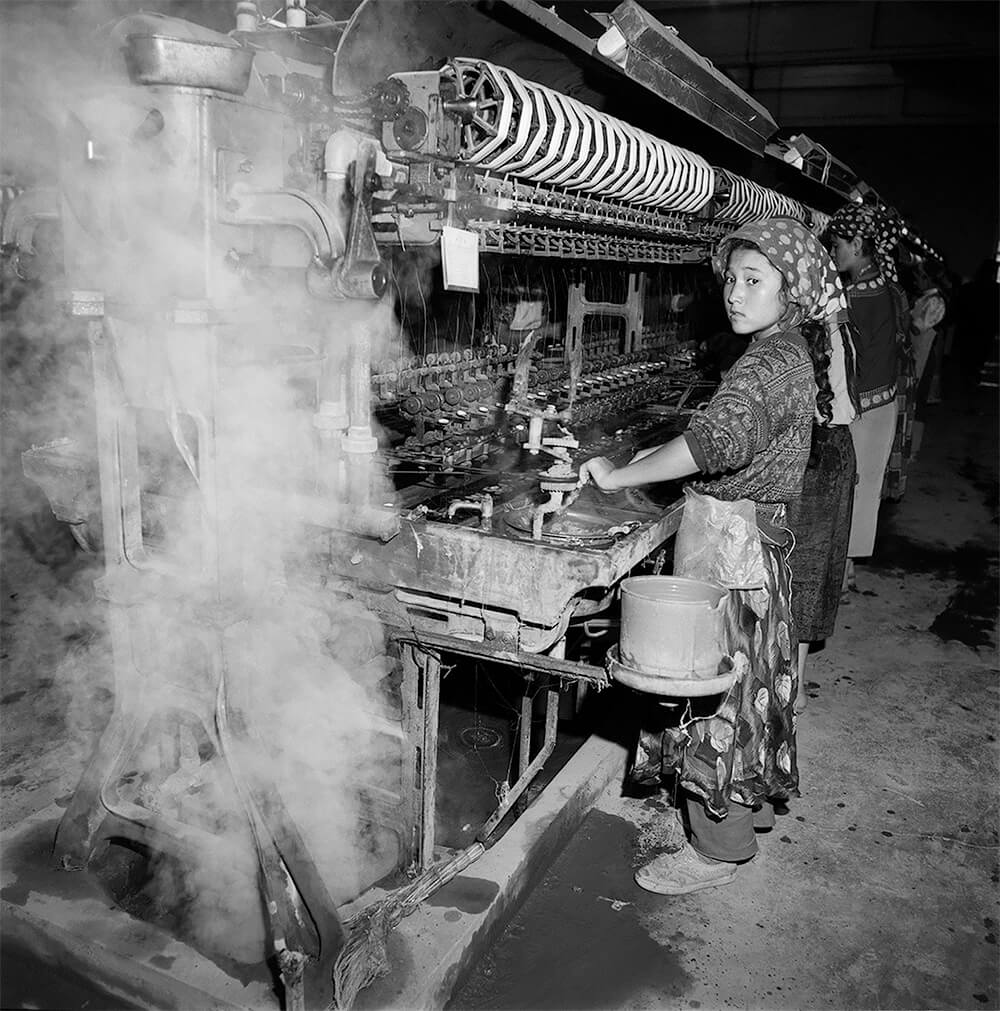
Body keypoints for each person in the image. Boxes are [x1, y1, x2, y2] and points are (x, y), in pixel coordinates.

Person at [580, 217, 848, 894]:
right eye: (732, 277)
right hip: (756, 542)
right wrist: (639, 457)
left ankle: (717, 848)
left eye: (754, 280)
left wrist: (616, 476)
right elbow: (720, 435)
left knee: (709, 694)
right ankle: (746, 806)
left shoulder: (766, 363)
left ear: (791, 291)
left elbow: (714, 445)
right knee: (750, 681)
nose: (735, 291)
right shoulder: (787, 352)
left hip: (731, 548)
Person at [827, 203, 910, 588]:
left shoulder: (855, 298)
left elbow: (840, 359)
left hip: (859, 411)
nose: (834, 252)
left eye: (838, 244)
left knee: (845, 487)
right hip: (883, 404)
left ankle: (838, 573)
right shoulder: (889, 290)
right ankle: (847, 568)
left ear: (858, 243)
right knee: (864, 487)